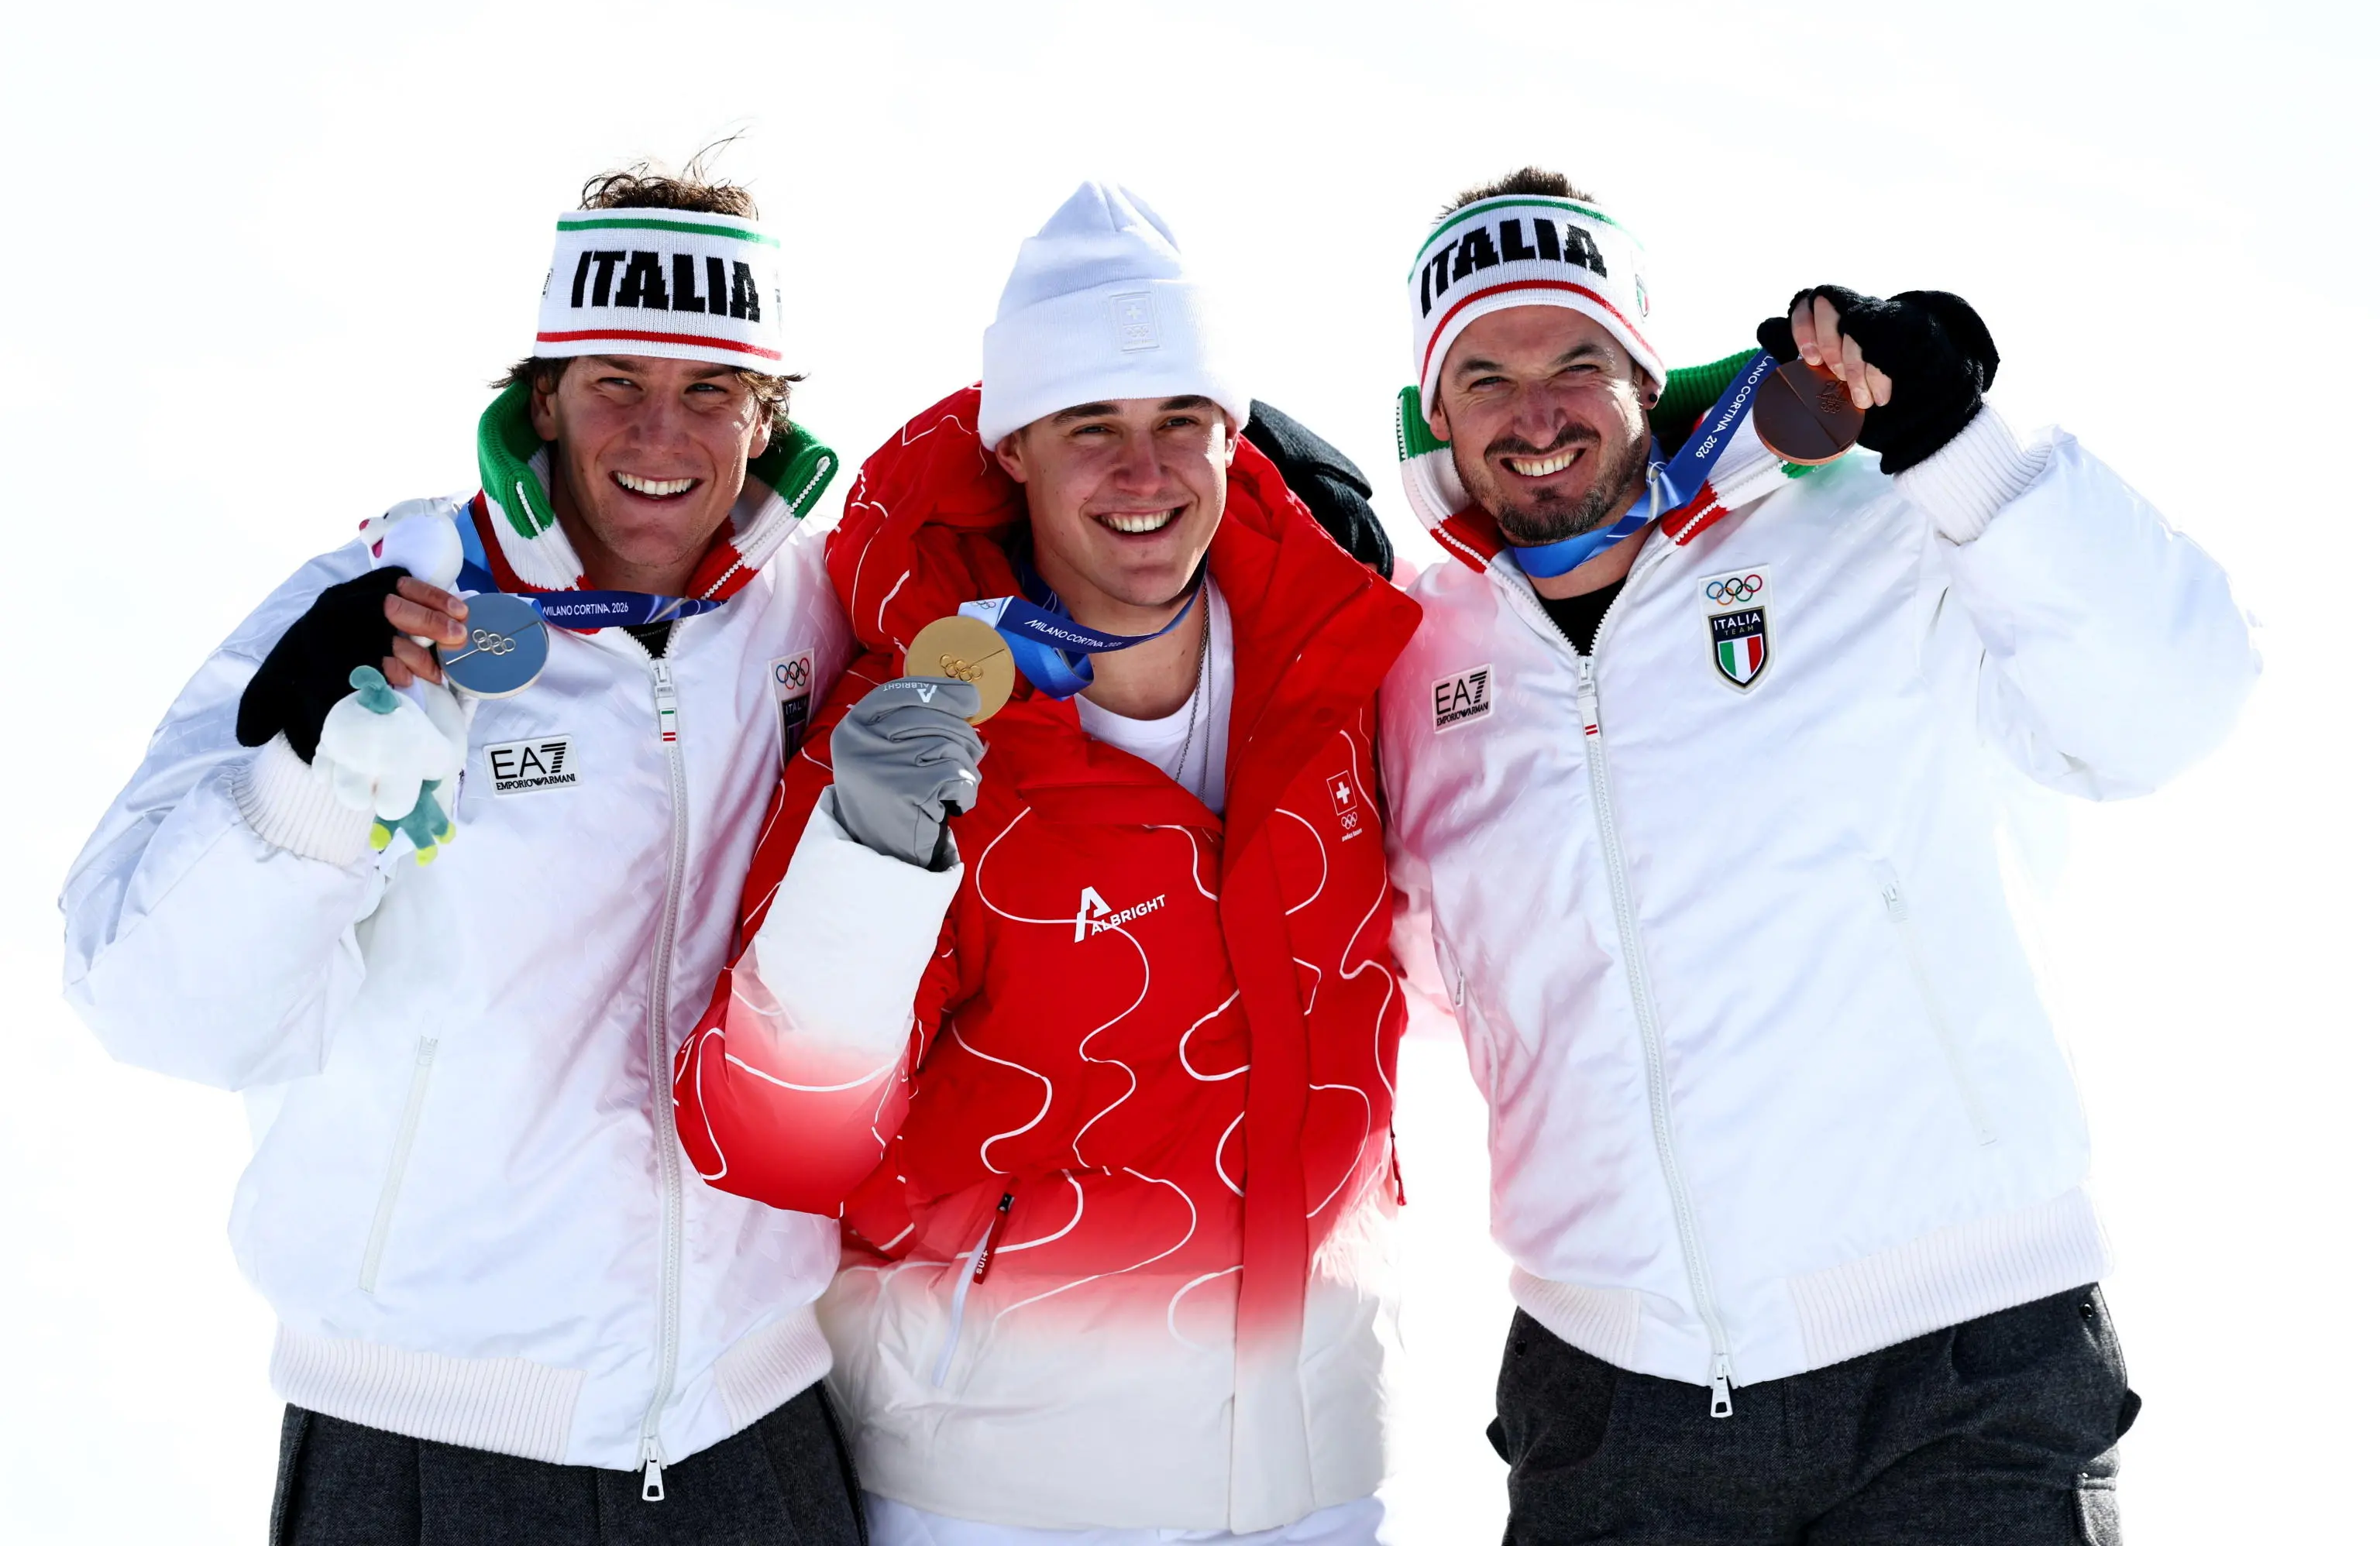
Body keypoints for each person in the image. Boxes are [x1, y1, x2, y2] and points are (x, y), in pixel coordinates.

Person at [1380, 168, 2258, 1542]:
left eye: (1576, 360)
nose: (1534, 414)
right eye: (1484, 373)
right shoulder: (1418, 655)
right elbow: (1412, 988)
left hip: (1958, 1371)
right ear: (1435, 408)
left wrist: (1966, 447)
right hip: (1614, 1401)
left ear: (1645, 368)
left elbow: (2172, 705)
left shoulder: (1861, 520)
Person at [60, 163, 866, 1543]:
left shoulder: (821, 604)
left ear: (768, 413)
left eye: (710, 392)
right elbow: (150, 1004)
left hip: (756, 1428)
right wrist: (315, 782)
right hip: (429, 1436)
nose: (659, 434)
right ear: (541, 393)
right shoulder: (386, 593)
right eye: (615, 379)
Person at [673, 182, 1419, 1544]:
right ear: (1013, 446)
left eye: (1179, 423)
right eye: (1093, 429)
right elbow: (768, 1139)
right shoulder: (909, 723)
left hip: (1312, 1475)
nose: (1145, 476)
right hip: (992, 1492)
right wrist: (867, 860)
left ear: (1232, 435)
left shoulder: (1345, 676)